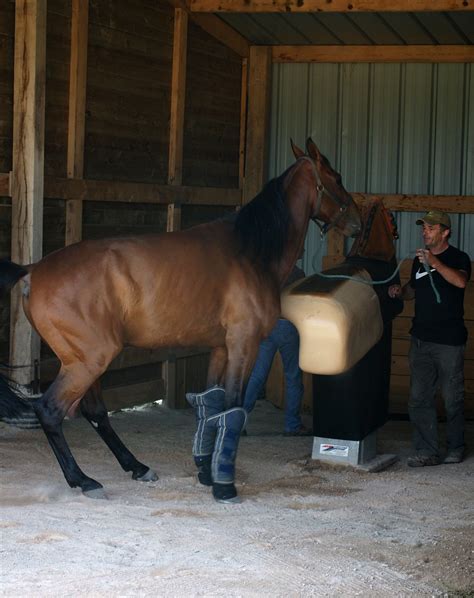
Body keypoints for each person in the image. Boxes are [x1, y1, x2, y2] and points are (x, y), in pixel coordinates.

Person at [388, 210, 471, 467]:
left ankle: (456, 446)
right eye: (424, 228)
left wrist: (434, 262)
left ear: (445, 232)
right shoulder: (418, 261)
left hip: (449, 341)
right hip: (421, 339)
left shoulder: (459, 258)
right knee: (419, 398)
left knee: (452, 397)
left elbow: (459, 282)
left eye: (431, 228)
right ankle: (427, 451)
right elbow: (414, 288)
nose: (425, 231)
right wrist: (401, 292)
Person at [243, 263, 310, 436]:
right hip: (288, 325)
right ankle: (292, 425)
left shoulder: (267, 270)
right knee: (293, 376)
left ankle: (238, 422)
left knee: (257, 375)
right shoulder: (297, 273)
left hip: (267, 325)